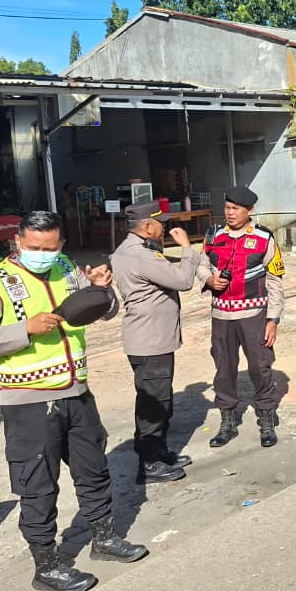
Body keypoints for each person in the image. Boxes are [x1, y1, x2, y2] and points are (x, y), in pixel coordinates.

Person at [0, 210, 148, 591]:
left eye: (50, 248)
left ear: (61, 244)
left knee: (94, 471)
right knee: (38, 486)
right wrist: (25, 329)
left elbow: (105, 312)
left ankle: (104, 538)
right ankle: (46, 566)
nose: (42, 255)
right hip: (28, 403)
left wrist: (100, 289)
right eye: (34, 247)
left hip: (76, 393)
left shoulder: (66, 269)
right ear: (17, 242)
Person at [110, 200, 200, 485]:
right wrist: (187, 248)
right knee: (153, 404)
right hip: (149, 341)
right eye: (161, 224)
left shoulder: (136, 250)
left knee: (160, 399)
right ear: (147, 226)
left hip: (152, 339)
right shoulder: (139, 255)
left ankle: (159, 453)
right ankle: (150, 464)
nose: (165, 228)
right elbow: (183, 280)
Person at [197, 186, 286, 449]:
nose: (230, 213)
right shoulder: (213, 235)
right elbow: (201, 265)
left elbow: (275, 281)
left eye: (236, 208)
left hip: (254, 315)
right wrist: (209, 280)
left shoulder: (263, 238)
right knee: (224, 369)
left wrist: (273, 320)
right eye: (227, 208)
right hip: (221, 315)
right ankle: (227, 422)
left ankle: (266, 417)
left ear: (250, 210)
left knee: (260, 366)